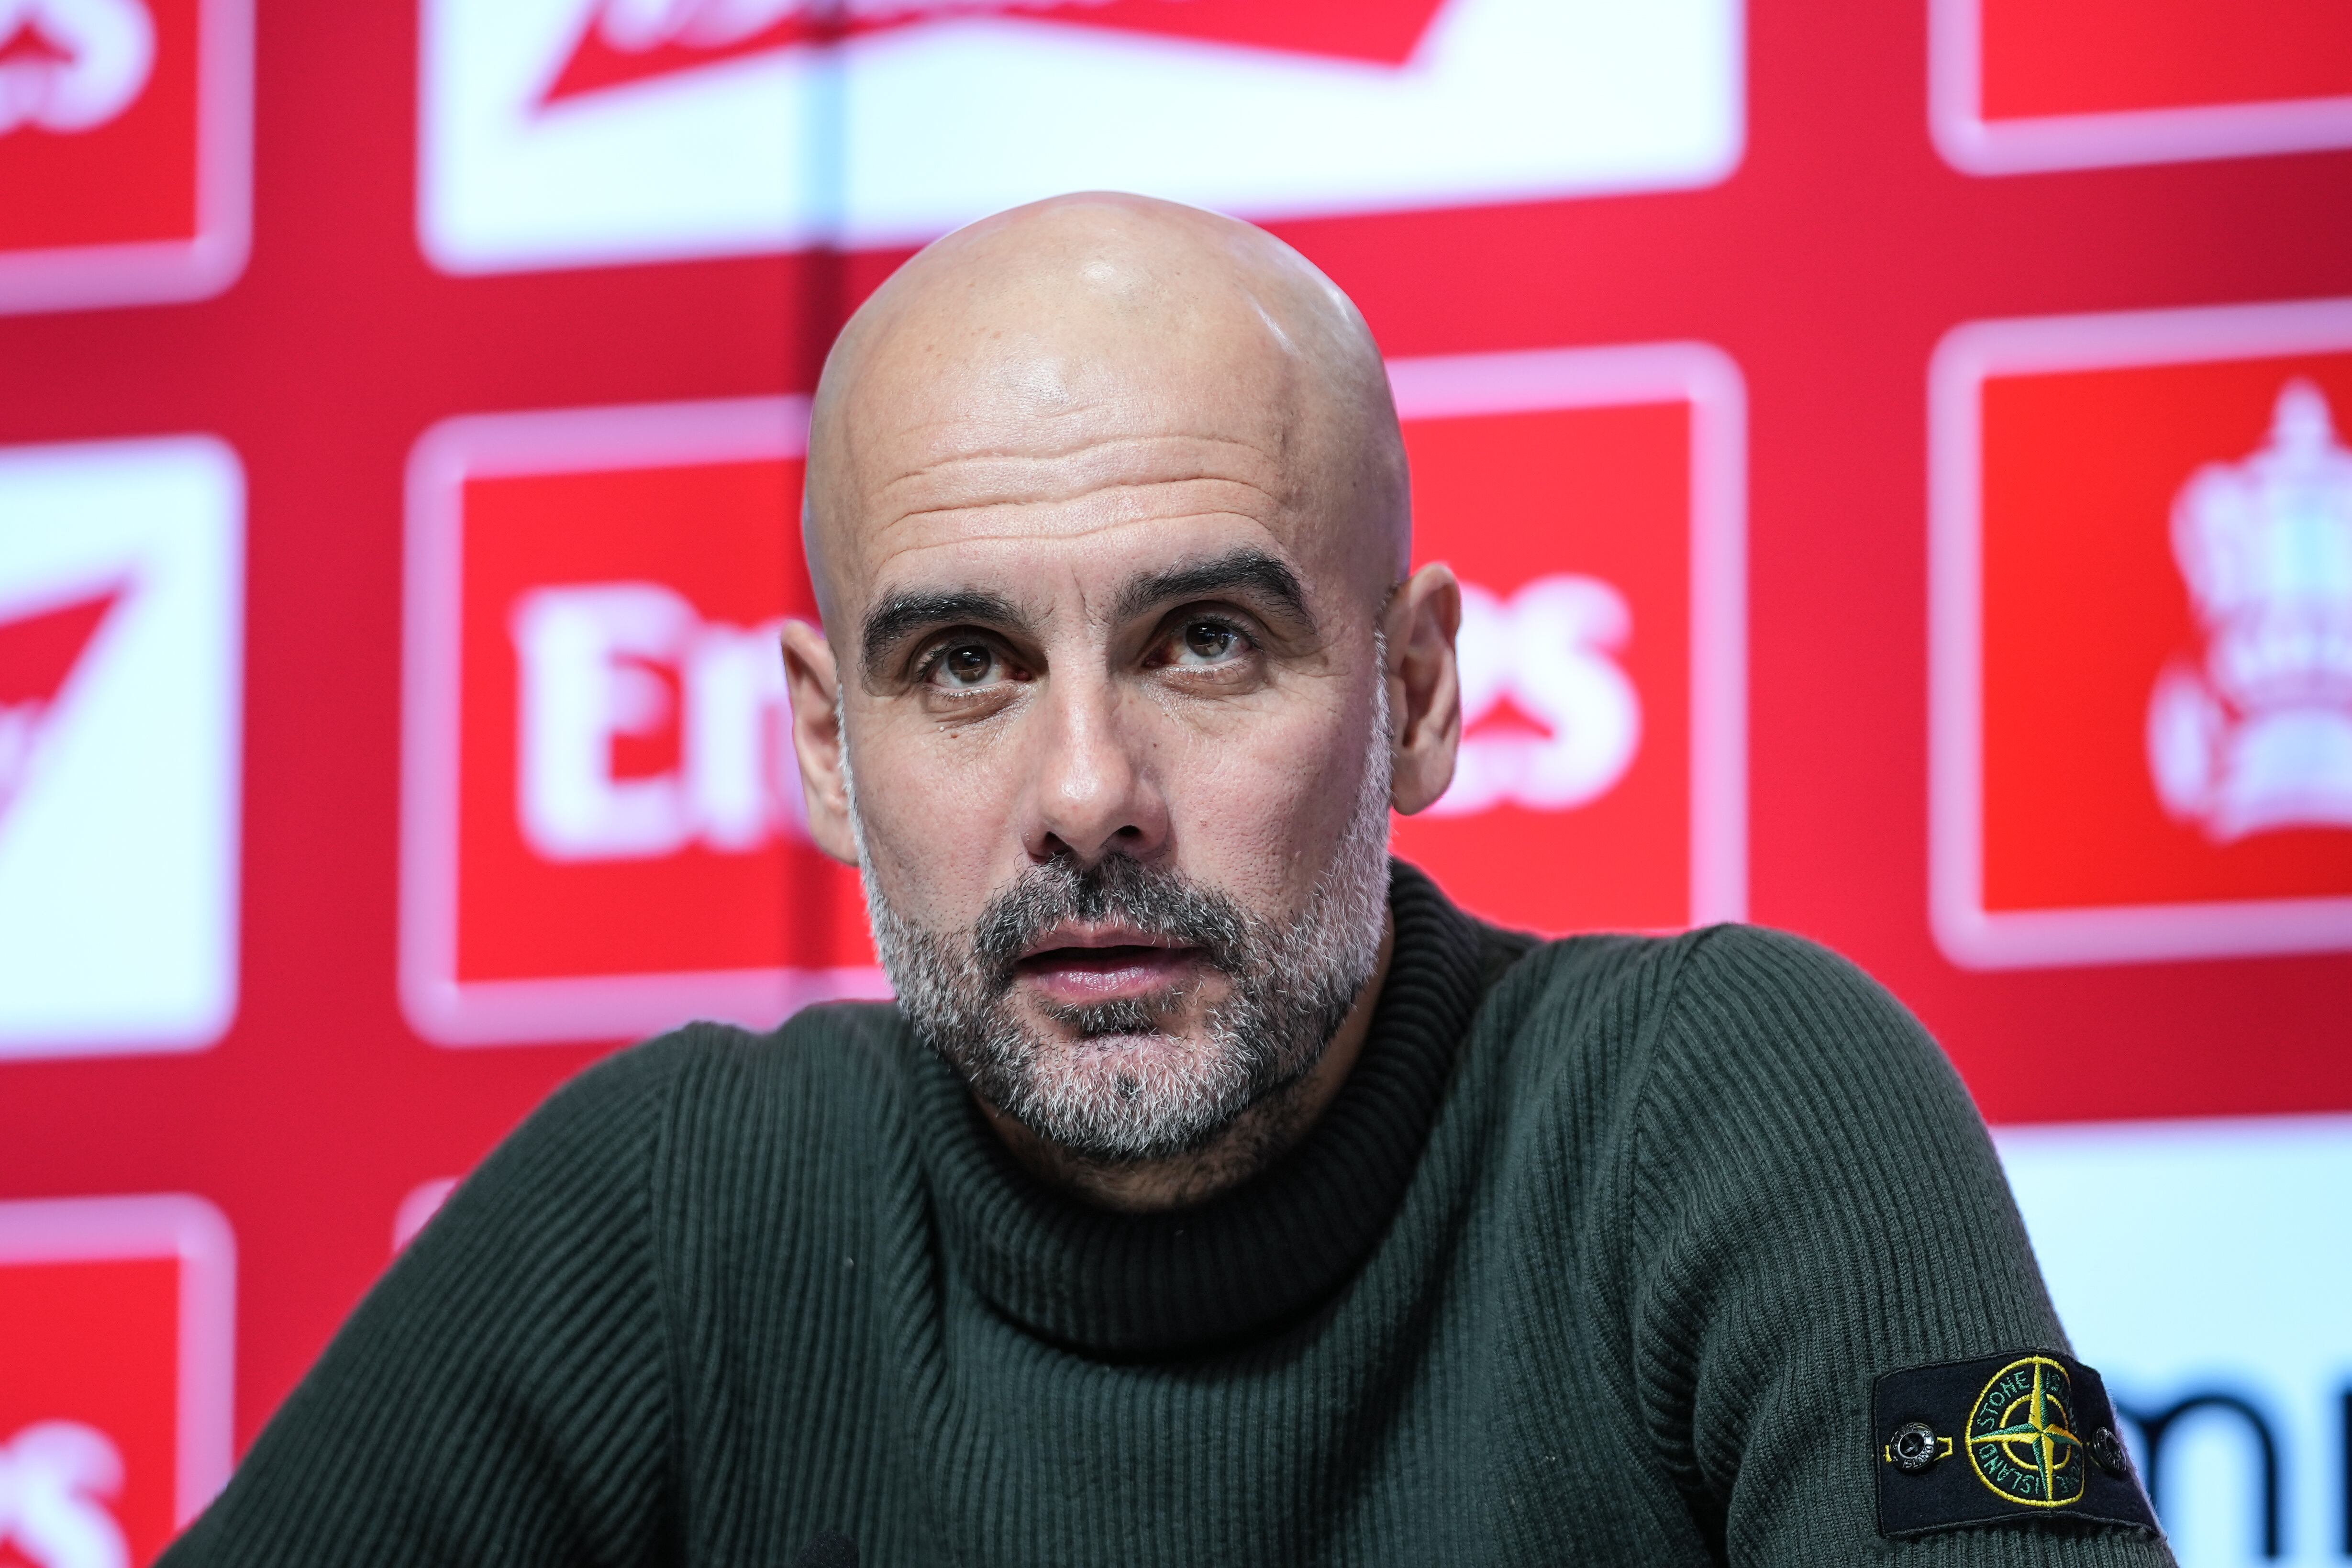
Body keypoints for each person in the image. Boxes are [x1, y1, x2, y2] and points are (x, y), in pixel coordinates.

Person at [162, 194, 2170, 1566]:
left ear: (1412, 692)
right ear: (823, 751)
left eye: (1205, 640)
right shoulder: (676, 1215)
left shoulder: (1731, 1111)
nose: (1086, 793)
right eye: (963, 667)